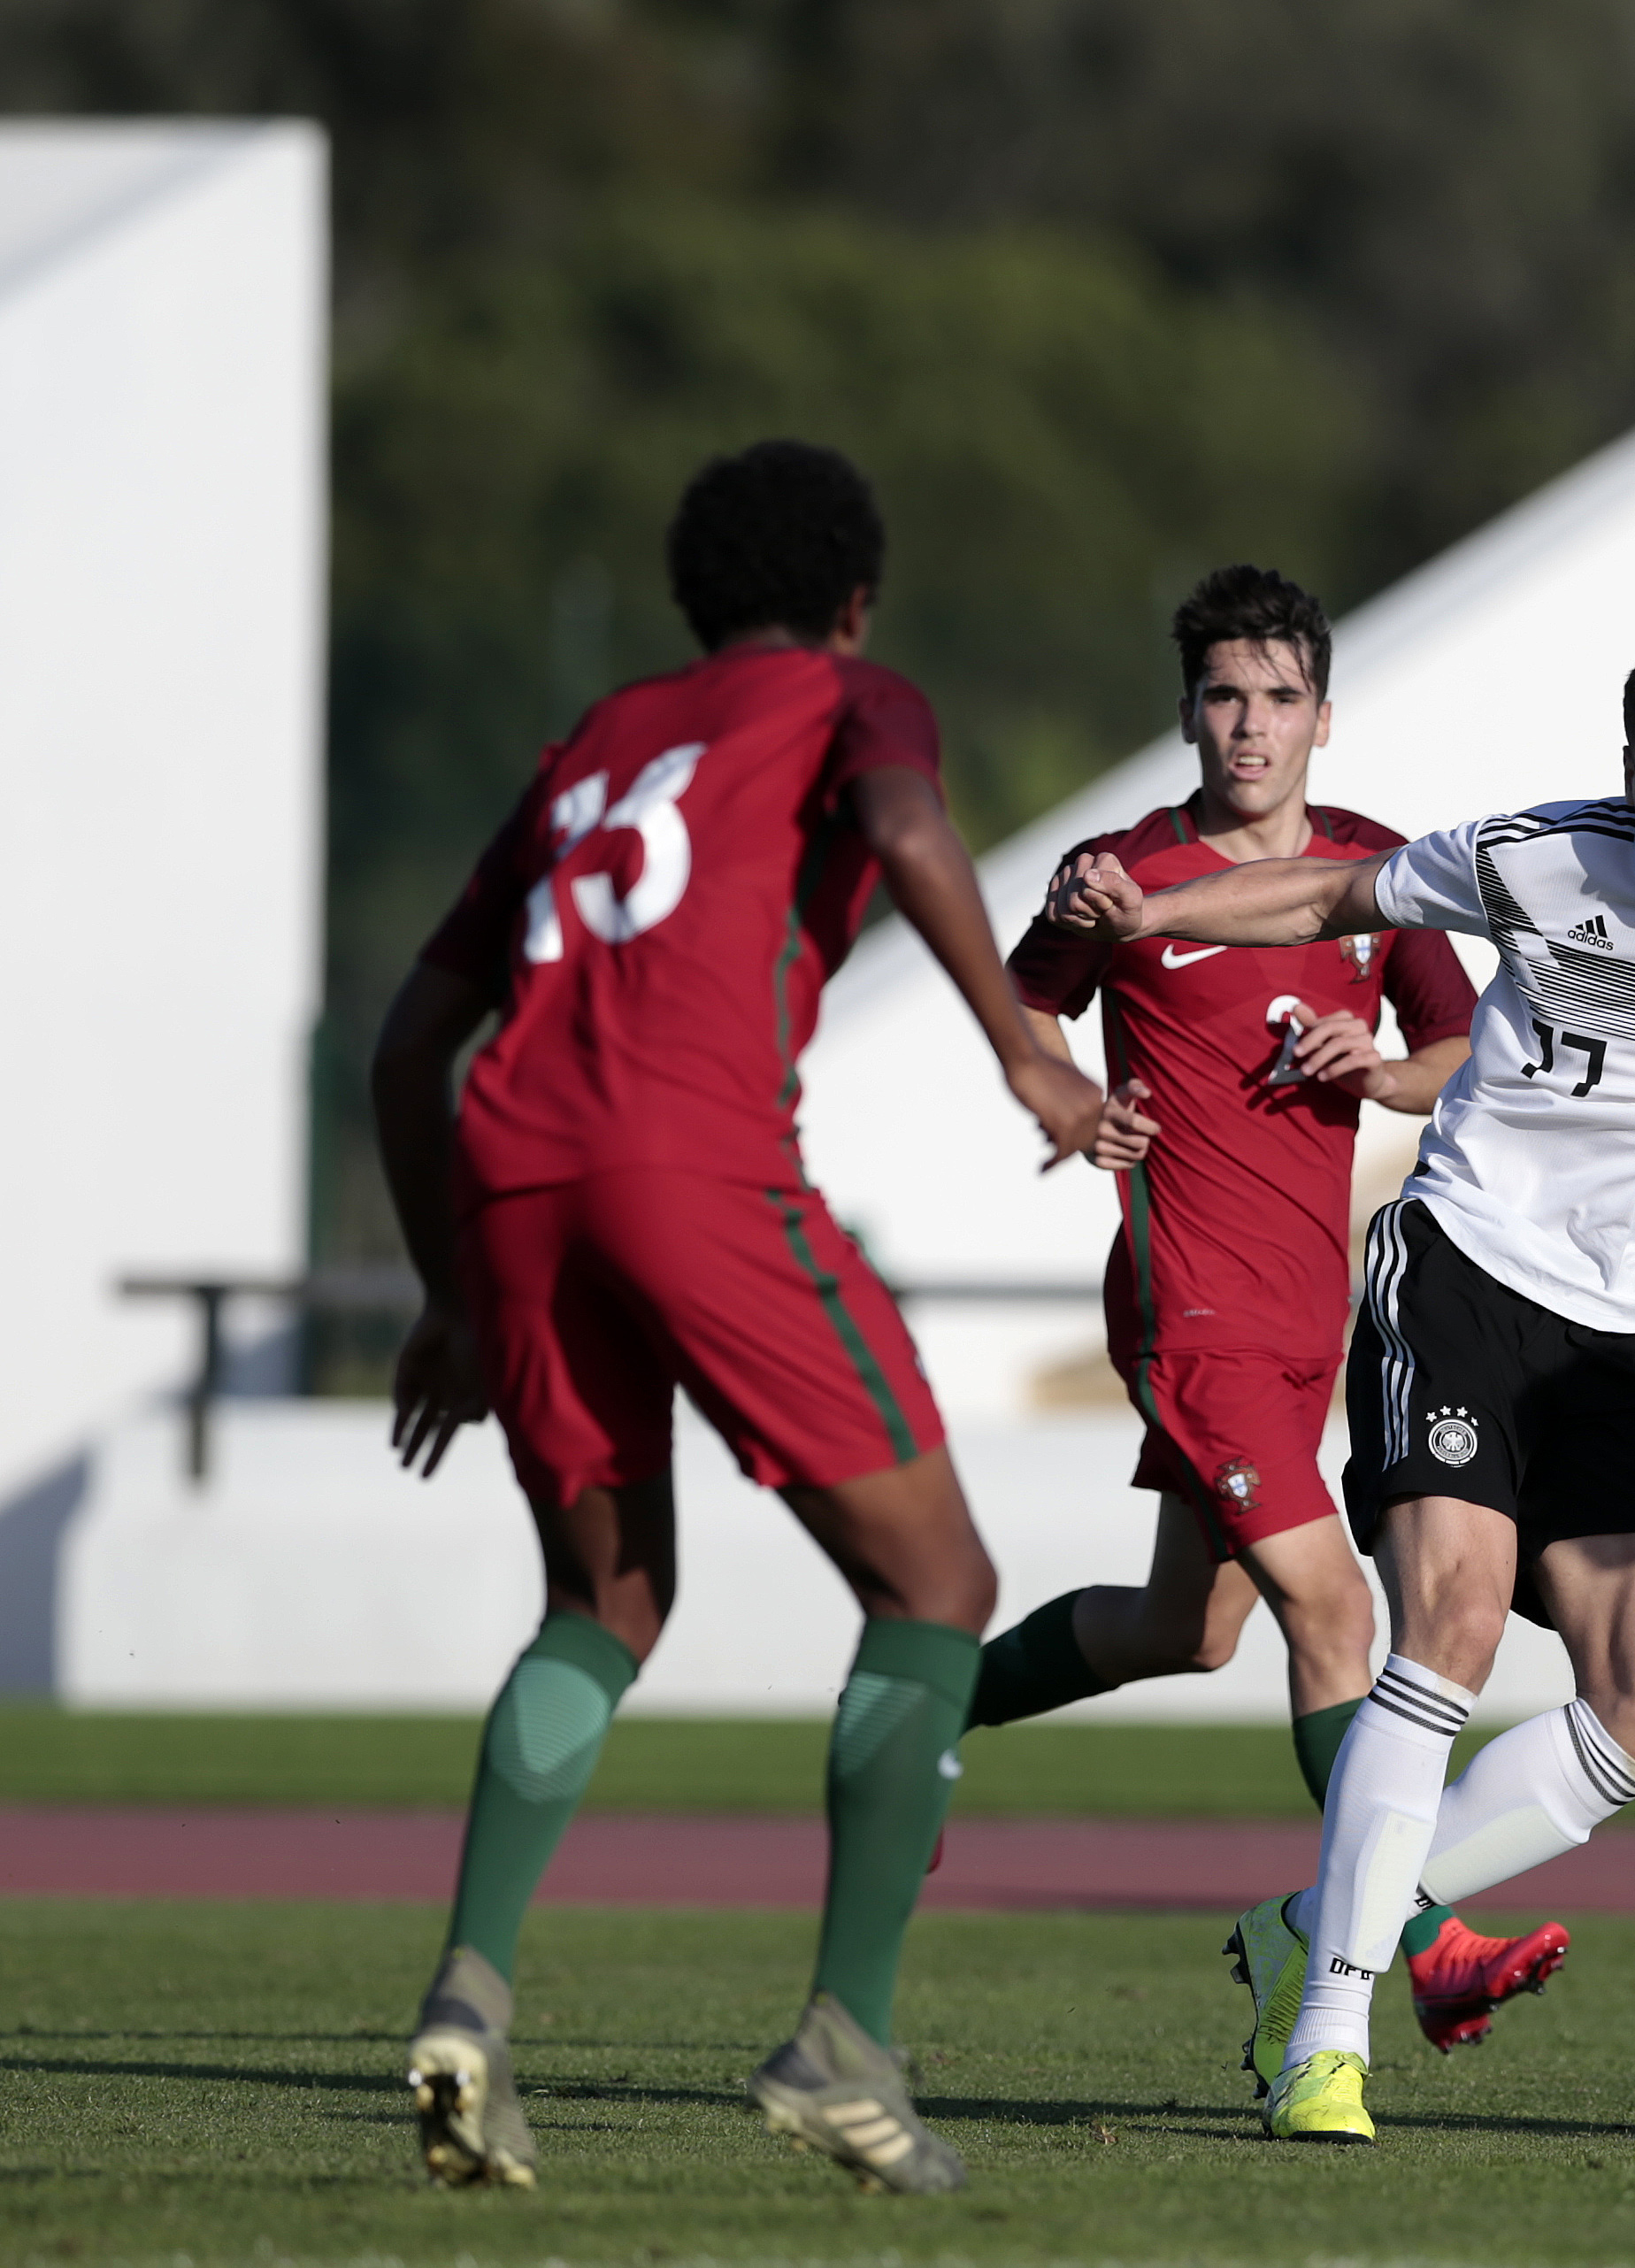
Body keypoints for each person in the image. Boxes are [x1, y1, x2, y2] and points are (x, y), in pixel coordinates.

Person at [1037, 629, 1635, 2143]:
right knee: (1452, 1622)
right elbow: (1323, 892)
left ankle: (1318, 1918)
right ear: (1628, 767)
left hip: (1617, 1345)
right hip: (1460, 1268)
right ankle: (1327, 2040)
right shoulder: (1540, 857)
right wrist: (1154, 911)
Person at [372, 441, 1106, 2195]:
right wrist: (1026, 1048)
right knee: (938, 1590)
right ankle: (844, 2037)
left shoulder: (602, 738)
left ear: (694, 598)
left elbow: (413, 1042)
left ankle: (469, 1990)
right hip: (689, 1162)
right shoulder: (853, 694)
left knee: (606, 1599)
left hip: (515, 1183)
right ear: (854, 598)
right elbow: (909, 820)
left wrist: (450, 1294)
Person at [963, 564, 1575, 2053]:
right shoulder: (1121, 872)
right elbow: (1020, 995)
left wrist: (1377, 1068)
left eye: (1279, 697)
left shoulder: (1378, 870)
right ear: (1187, 711)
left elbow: (1462, 1050)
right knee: (1339, 1610)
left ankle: (923, 1704)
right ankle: (1414, 1944)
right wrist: (1069, 1095)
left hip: (1315, 1310)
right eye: (1225, 695)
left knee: (1190, 1627)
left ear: (1322, 715)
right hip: (1187, 1306)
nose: (1251, 724)